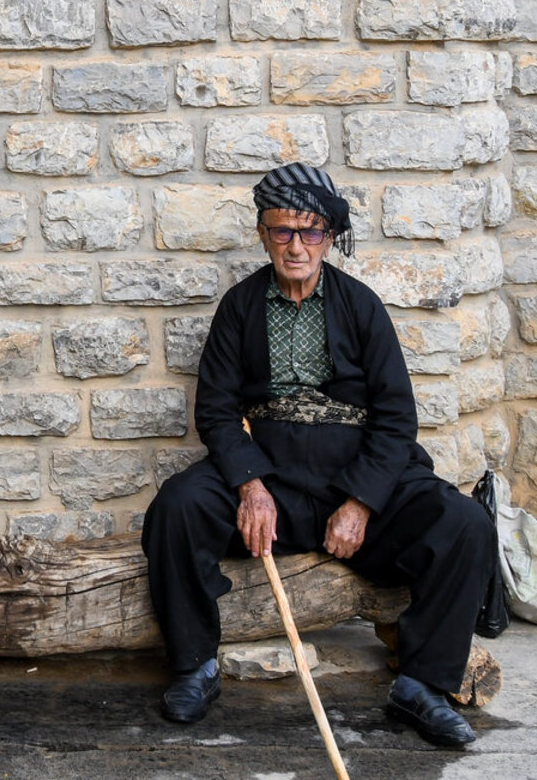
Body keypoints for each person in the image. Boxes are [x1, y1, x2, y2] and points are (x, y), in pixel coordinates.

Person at [141, 162, 494, 747]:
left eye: (310, 233)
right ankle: (194, 666)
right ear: (263, 234)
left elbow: (396, 417)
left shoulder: (361, 306)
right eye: (283, 231)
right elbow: (217, 411)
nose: (296, 246)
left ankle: (423, 685)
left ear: (330, 238)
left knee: (464, 523)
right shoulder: (240, 307)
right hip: (273, 476)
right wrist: (251, 488)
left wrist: (360, 502)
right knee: (178, 506)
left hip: (353, 475)